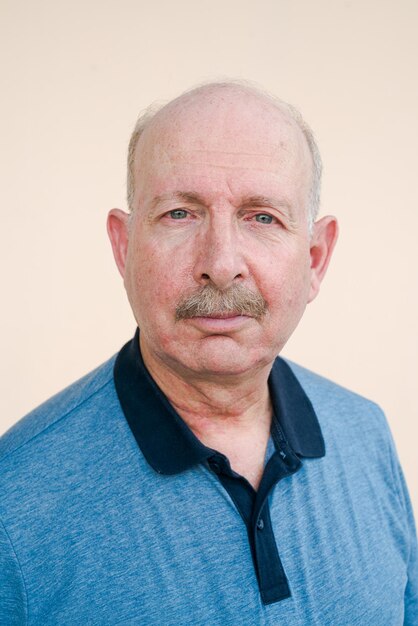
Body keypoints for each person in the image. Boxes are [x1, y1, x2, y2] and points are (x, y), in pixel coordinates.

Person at [0, 81, 417, 625]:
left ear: (314, 257)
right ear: (124, 248)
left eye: (262, 217)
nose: (221, 264)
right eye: (180, 213)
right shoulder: (16, 498)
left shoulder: (366, 435)